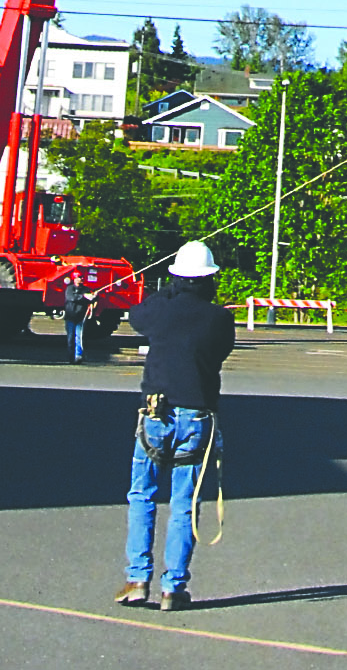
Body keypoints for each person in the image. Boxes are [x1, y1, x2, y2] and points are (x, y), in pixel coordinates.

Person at [116, 240, 236, 612]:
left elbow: (137, 315)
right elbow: (220, 352)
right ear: (210, 278)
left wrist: (167, 290)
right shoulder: (219, 318)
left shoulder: (161, 312)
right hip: (197, 415)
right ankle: (174, 587)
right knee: (184, 503)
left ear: (176, 277)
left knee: (142, 495)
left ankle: (137, 578)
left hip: (156, 413)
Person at [62, 273, 89, 363]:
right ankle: (70, 356)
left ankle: (78, 356)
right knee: (70, 338)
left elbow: (92, 299)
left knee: (79, 337)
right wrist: (83, 297)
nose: (81, 279)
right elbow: (71, 298)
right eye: (79, 277)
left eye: (82, 277)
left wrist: (93, 296)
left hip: (80, 318)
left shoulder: (86, 289)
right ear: (74, 279)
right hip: (70, 317)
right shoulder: (69, 289)